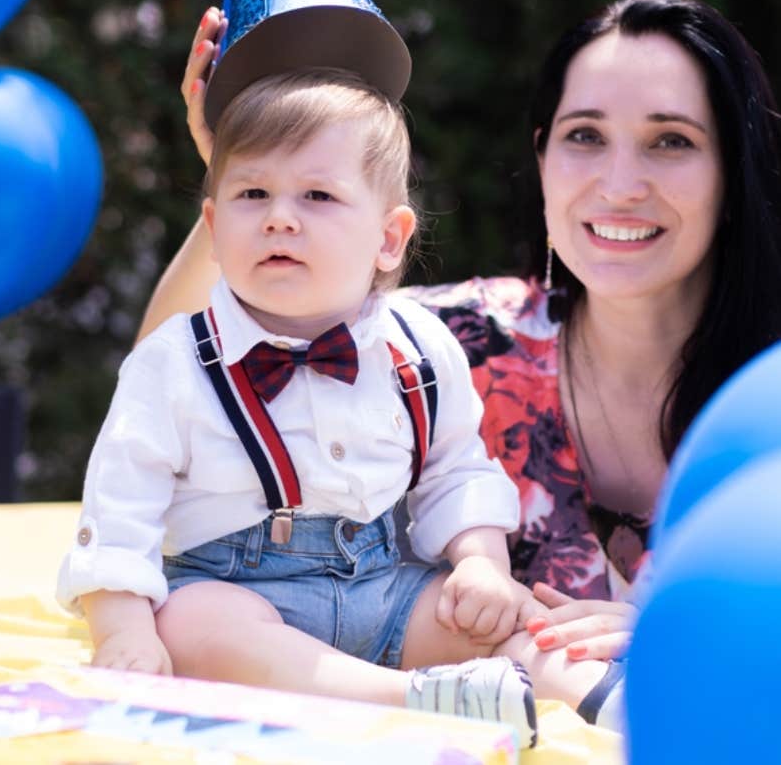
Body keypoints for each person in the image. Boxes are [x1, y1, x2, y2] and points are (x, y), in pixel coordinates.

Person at [138, 0, 781, 671]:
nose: (620, 184)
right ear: (543, 160)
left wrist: (700, 635)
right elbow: (173, 372)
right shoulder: (460, 342)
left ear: (735, 172)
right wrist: (242, 175)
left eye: (671, 141)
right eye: (585, 136)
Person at [58, 68, 630, 749]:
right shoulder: (173, 361)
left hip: (384, 590)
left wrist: (481, 562)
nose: (279, 215)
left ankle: (603, 696)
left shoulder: (419, 346)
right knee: (189, 628)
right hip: (240, 593)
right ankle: (416, 700)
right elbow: (120, 505)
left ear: (389, 239)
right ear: (213, 226)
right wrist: (122, 628)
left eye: (318, 195)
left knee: (498, 615)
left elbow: (457, 468)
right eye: (251, 193)